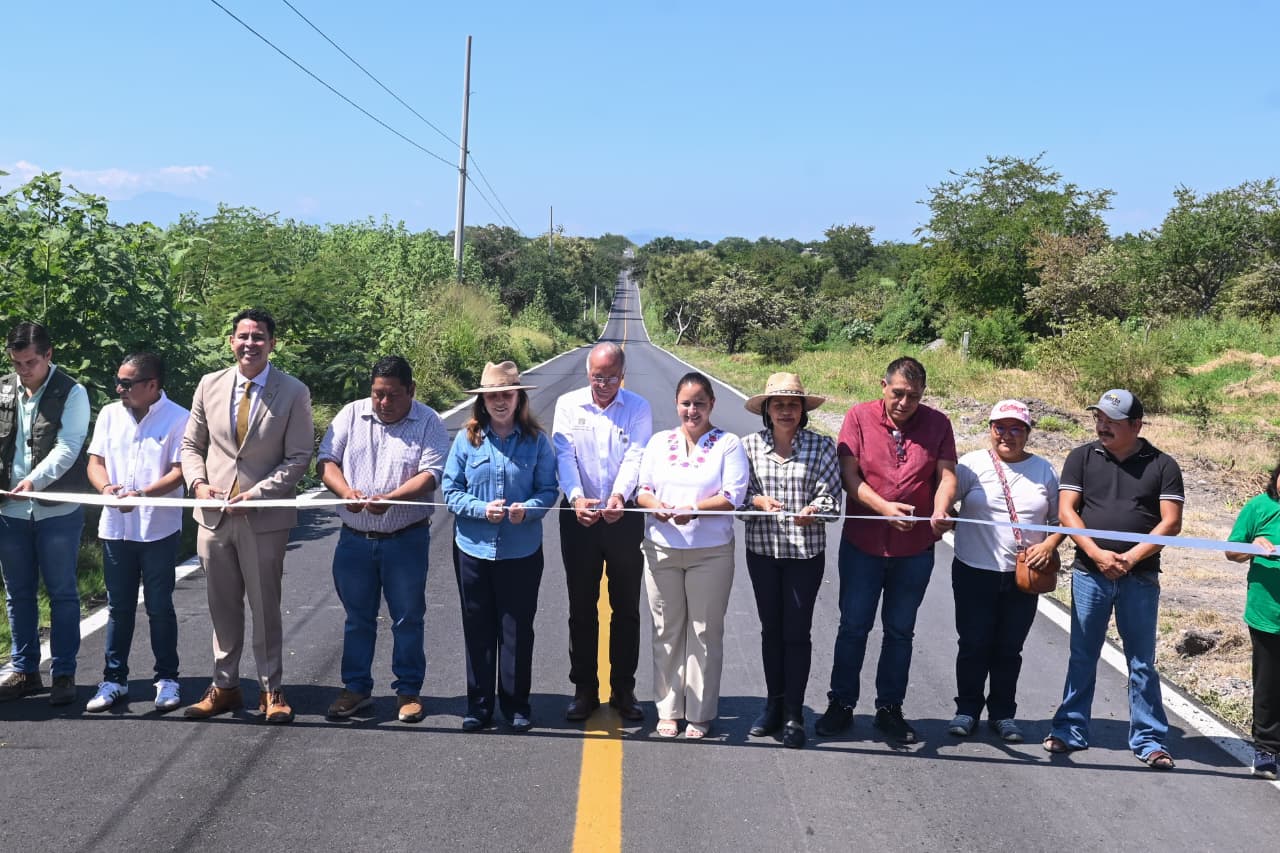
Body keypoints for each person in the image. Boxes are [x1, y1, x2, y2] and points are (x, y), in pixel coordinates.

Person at [180, 308, 313, 724]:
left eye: (258, 337)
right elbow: (190, 447)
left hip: (263, 517)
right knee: (222, 607)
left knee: (264, 607)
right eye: (243, 336)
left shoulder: (292, 391)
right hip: (214, 516)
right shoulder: (209, 385)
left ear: (272, 344)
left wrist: (257, 493)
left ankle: (271, 689)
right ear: (231, 341)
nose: (249, 344)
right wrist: (199, 485)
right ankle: (224, 686)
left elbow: (298, 458)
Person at [816, 356, 957, 744]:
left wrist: (942, 509)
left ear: (923, 394)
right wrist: (881, 509)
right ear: (883, 386)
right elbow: (849, 476)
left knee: (900, 632)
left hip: (914, 550)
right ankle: (841, 704)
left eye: (913, 396)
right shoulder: (858, 417)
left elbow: (946, 476)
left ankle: (889, 709)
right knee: (853, 626)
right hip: (863, 545)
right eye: (897, 393)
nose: (904, 402)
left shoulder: (938, 424)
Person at [1044, 389, 1184, 769]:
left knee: (1142, 661)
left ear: (1135, 425)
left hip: (1139, 577)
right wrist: (1096, 554)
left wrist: (1130, 558)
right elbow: (1067, 512)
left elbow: (1170, 522)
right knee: (1082, 654)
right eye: (1099, 418)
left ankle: (1150, 739)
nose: (1101, 425)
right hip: (1090, 573)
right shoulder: (1082, 458)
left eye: (1111, 420)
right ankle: (1070, 728)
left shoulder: (1163, 465)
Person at [317, 356, 450, 724]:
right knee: (357, 618)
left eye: (392, 395)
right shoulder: (351, 414)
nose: (384, 403)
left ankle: (408, 691)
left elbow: (431, 474)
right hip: (355, 539)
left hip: (405, 539)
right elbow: (326, 461)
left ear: (411, 391)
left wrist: (392, 498)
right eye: (377, 394)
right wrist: (346, 491)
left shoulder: (428, 421)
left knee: (407, 617)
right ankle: (355, 689)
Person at [443, 361, 558, 732]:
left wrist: (529, 509)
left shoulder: (537, 441)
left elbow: (548, 490)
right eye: (492, 396)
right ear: (483, 401)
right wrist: (480, 509)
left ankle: (515, 704)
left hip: (521, 552)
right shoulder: (467, 438)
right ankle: (478, 705)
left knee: (516, 630)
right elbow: (450, 490)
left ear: (518, 397)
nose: (500, 402)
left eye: (507, 395)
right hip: (472, 549)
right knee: (477, 627)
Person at [634, 372, 749, 739]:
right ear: (676, 405)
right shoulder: (658, 442)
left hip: (710, 553)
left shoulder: (728, 444)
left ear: (712, 404)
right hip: (662, 550)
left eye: (700, 402)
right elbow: (643, 490)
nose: (692, 410)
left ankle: (699, 712)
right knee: (666, 630)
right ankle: (668, 709)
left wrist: (694, 509)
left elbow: (733, 496)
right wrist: (657, 506)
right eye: (686, 403)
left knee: (703, 632)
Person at [947, 400, 1063, 744]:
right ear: (990, 429)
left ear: (1027, 433)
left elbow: (1061, 522)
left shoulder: (1044, 471)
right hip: (974, 570)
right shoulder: (970, 465)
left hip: (1021, 576)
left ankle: (1003, 714)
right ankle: (966, 710)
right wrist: (945, 518)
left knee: (1009, 648)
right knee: (972, 643)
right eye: (1000, 428)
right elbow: (947, 500)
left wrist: (1048, 546)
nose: (1007, 436)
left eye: (1016, 429)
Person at [84, 353, 190, 712]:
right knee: (119, 608)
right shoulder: (111, 414)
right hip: (115, 527)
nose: (119, 388)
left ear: (152, 385)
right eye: (118, 381)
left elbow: (180, 471)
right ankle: (114, 680)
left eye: (127, 383)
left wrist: (143, 495)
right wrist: (106, 490)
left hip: (158, 529)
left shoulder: (179, 418)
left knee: (159, 607)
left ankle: (168, 679)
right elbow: (95, 462)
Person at [552, 342, 652, 722]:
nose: (604, 384)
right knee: (581, 606)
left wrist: (618, 497)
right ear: (587, 373)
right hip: (578, 516)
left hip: (623, 514)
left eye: (611, 377)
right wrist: (577, 498)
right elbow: (564, 455)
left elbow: (637, 454)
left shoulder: (638, 407)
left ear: (622, 375)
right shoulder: (569, 405)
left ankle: (624, 690)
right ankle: (584, 689)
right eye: (597, 377)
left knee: (625, 606)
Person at [740, 373, 840, 749]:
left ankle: (795, 714)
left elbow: (833, 501)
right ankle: (773, 706)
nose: (786, 411)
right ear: (766, 410)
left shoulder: (821, 447)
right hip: (763, 551)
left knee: (797, 633)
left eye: (793, 404)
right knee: (771, 630)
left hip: (804, 553)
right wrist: (758, 502)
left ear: (803, 410)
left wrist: (815, 508)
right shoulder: (748, 447)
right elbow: (737, 497)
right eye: (778, 404)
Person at [0, 322, 90, 706]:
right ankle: (24, 671)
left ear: (49, 355)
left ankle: (64, 672)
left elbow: (69, 447)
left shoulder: (74, 392)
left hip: (58, 509)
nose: (23, 370)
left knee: (63, 593)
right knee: (17, 594)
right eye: (16, 363)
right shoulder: (3, 388)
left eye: (30, 362)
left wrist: (34, 481)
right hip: (10, 511)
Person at [1224, 463, 1280, 780]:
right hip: (1267, 613)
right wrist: (1251, 547)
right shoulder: (1260, 507)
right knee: (1269, 684)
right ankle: (1267, 750)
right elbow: (1231, 550)